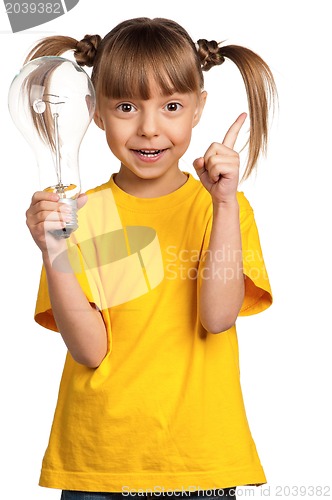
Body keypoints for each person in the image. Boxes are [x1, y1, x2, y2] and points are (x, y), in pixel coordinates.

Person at [24, 17, 276, 500]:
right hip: (98, 461)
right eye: (125, 106)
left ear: (199, 108)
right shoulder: (84, 213)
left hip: (199, 463)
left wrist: (223, 204)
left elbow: (218, 318)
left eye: (172, 105)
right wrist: (53, 248)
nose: (149, 128)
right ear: (94, 112)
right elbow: (91, 351)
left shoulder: (222, 207)